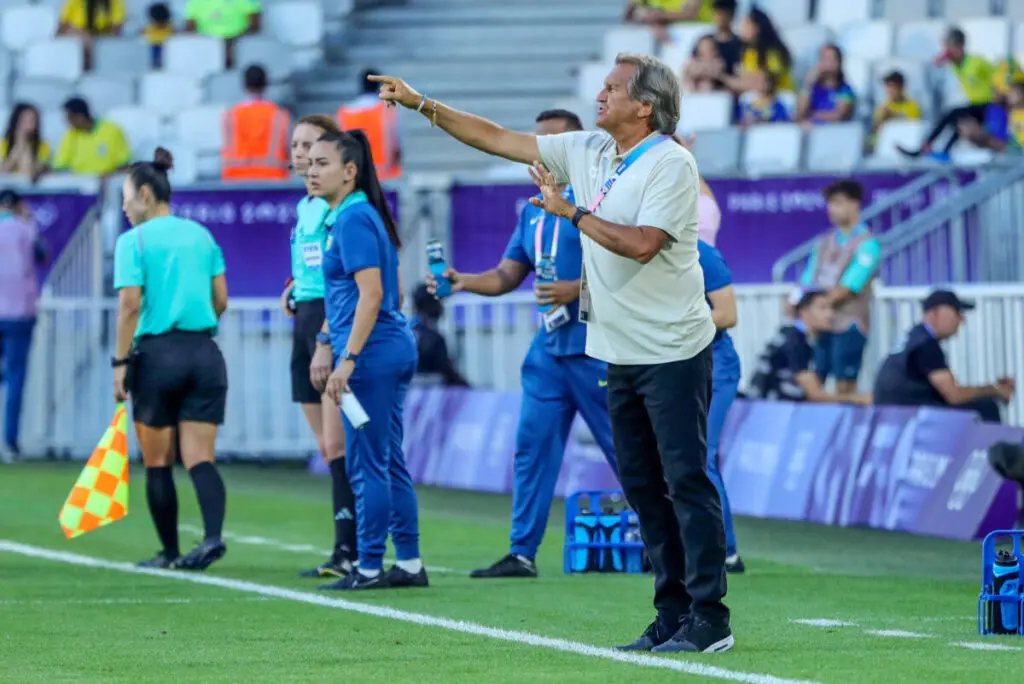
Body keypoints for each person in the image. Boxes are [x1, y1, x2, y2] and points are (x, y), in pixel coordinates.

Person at [370, 51, 732, 653]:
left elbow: (642, 245)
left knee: (684, 480)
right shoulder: (588, 149)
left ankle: (711, 617)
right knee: (642, 485)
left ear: (644, 106)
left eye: (612, 89)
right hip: (618, 348)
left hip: (672, 348)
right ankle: (672, 612)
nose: (599, 96)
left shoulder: (671, 163)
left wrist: (574, 213)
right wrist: (420, 103)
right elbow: (495, 138)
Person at [427, 109, 619, 579]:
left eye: (554, 142)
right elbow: (508, 274)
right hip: (549, 352)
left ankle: (662, 544)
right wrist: (464, 281)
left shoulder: (602, 202)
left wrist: (577, 290)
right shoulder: (532, 211)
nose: (543, 151)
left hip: (598, 347)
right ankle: (522, 552)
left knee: (629, 452)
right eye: (538, 142)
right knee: (532, 448)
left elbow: (631, 269)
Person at [306, 130, 425, 591]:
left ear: (350, 171)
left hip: (372, 354)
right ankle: (410, 563)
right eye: (309, 162)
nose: (311, 170)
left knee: (368, 464)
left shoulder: (353, 220)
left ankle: (370, 566)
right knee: (388, 460)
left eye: (321, 163)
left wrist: (347, 357)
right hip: (388, 347)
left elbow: (371, 294)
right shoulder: (359, 215)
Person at [112, 148, 230, 571]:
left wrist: (120, 362)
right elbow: (221, 300)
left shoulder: (134, 241)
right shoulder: (201, 236)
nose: (124, 207)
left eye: (126, 198)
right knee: (200, 456)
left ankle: (169, 551)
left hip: (157, 355)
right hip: (203, 352)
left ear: (145, 194)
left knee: (158, 460)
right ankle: (213, 536)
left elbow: (129, 306)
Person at [280, 114, 358, 579]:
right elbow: (313, 268)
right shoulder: (305, 207)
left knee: (338, 443)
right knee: (325, 445)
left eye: (308, 146)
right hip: (306, 317)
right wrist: (291, 285)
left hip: (329, 323)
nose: (299, 155)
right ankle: (345, 547)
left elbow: (344, 275)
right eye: (294, 146)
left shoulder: (338, 207)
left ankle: (351, 547)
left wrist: (327, 336)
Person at [874, 290, 1015, 423]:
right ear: (935, 313)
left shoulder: (913, 337)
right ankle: (992, 449)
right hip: (911, 415)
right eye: (957, 313)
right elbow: (954, 395)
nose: (962, 320)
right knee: (986, 407)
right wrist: (994, 390)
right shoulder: (926, 344)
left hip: (894, 412)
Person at [798, 179, 880, 396]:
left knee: (845, 385)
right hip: (822, 325)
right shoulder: (824, 241)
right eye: (830, 203)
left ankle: (850, 428)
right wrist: (797, 301)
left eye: (839, 202)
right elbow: (808, 278)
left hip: (850, 324)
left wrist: (816, 306)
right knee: (815, 382)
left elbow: (851, 286)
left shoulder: (867, 244)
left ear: (855, 204)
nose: (832, 209)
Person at [696, 238, 743, 573]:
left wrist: (674, 328)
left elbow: (727, 315)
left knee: (701, 455)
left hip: (715, 364)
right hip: (669, 364)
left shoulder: (703, 254)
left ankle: (725, 550)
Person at [748, 290, 870, 405]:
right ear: (804, 311)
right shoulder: (796, 342)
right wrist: (860, 399)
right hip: (773, 411)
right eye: (823, 308)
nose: (830, 314)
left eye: (832, 308)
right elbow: (815, 396)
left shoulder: (792, 335)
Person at [0, 190, 46, 461]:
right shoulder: (25, 227)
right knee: (16, 377)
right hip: (19, 313)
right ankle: (10, 444)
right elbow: (42, 255)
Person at [221, 65, 291, 181]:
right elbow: (291, 151)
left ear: (244, 85)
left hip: (235, 186)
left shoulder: (230, 116)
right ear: (266, 85)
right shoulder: (280, 116)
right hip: (273, 187)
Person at [337, 69, 402, 182]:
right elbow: (396, 146)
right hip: (384, 178)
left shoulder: (343, 113)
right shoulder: (387, 110)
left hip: (354, 178)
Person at [723, 7, 793, 95]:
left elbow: (764, 84)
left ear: (757, 28)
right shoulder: (749, 52)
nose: (741, 27)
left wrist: (722, 77)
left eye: (746, 23)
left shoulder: (772, 54)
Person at [53, 97, 131, 176]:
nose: (68, 122)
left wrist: (109, 174)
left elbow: (124, 164)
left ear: (80, 116)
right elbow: (59, 165)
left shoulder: (112, 131)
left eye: (70, 118)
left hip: (107, 183)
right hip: (78, 183)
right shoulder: (70, 135)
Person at [410, 283, 469, 387]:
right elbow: (448, 373)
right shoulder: (434, 338)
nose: (441, 307)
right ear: (430, 304)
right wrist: (469, 388)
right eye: (438, 303)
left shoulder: (405, 333)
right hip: (431, 395)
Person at [184, 0, 260, 68]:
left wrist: (237, 45)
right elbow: (189, 29)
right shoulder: (195, 2)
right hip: (206, 42)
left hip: (237, 40)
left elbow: (254, 25)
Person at [796, 44, 856, 127]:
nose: (828, 63)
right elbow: (800, 113)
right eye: (824, 59)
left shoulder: (845, 90)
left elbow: (839, 115)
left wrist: (813, 116)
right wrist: (807, 84)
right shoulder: (812, 89)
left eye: (831, 59)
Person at [1, 104, 49, 180]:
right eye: (24, 120)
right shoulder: (3, 144)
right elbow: (3, 171)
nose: (29, 124)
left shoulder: (43, 146)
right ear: (16, 121)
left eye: (32, 120)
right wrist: (18, 146)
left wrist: (25, 145)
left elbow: (27, 173)